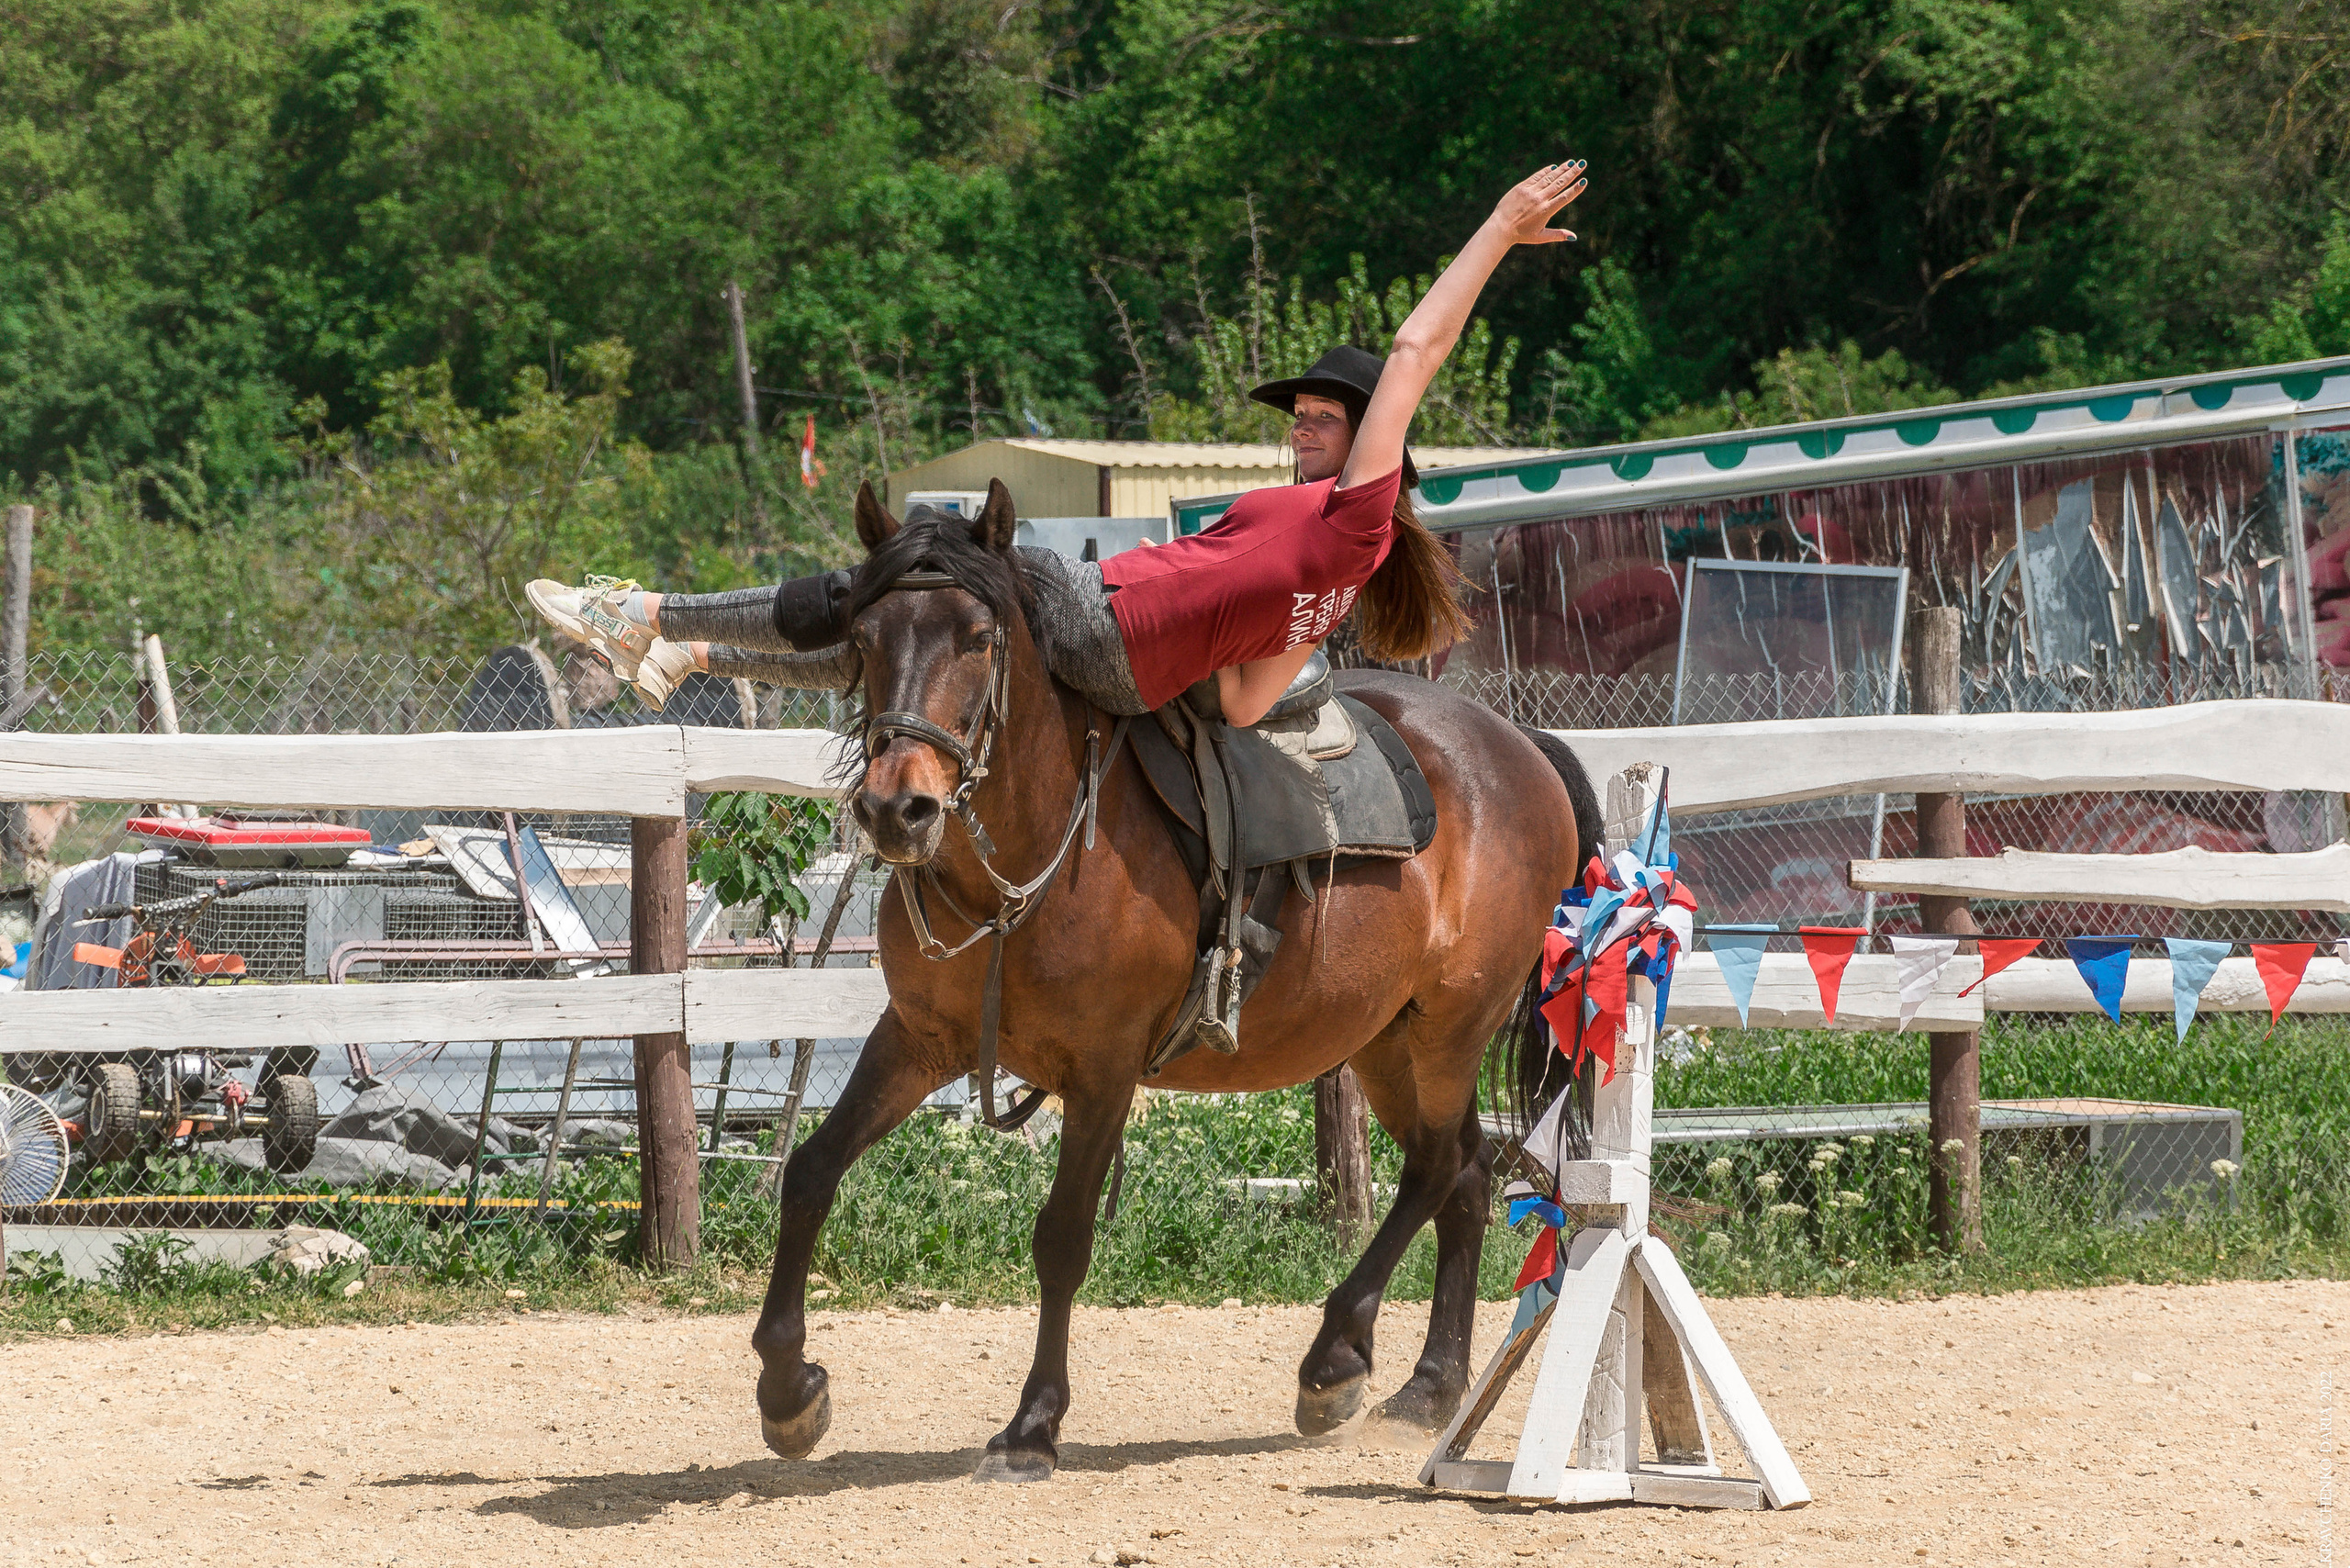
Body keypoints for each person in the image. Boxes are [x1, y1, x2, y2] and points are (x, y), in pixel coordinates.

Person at [528, 159, 1588, 724]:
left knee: (928, 562)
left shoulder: (1359, 513)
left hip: (1108, 627)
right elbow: (1245, 697)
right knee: (922, 647)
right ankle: (695, 655)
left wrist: (1497, 227)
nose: (1301, 427)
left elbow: (1417, 345)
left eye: (1323, 419)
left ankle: (640, 610)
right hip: (1129, 671)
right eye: (1300, 417)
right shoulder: (1340, 585)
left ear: (1375, 450)